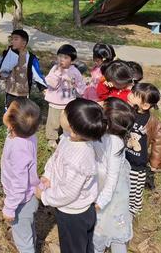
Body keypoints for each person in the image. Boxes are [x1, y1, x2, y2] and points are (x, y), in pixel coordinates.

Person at [36, 99, 106, 253]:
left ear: (73, 129)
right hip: (78, 207)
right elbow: (56, 159)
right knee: (83, 245)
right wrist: (48, 175)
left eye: (65, 112)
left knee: (73, 248)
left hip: (74, 213)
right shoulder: (69, 138)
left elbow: (68, 192)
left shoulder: (79, 159)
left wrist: (45, 196)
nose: (61, 112)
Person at [93, 98, 135, 253]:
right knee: (102, 227)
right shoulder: (104, 134)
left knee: (112, 229)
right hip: (102, 186)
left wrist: (101, 201)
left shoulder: (115, 142)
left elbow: (112, 178)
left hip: (111, 194)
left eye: (102, 106)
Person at [1, 98, 41, 253]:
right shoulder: (28, 135)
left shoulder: (19, 148)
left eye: (8, 109)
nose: (6, 109)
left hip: (21, 202)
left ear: (11, 124)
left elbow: (20, 184)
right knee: (28, 231)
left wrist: (10, 208)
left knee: (23, 239)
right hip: (28, 197)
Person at [126, 83, 161, 215]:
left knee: (134, 188)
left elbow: (159, 143)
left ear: (145, 105)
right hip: (124, 157)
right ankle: (122, 206)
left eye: (134, 95)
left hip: (138, 162)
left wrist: (154, 163)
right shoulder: (127, 112)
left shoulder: (153, 122)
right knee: (122, 184)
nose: (130, 95)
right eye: (132, 92)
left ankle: (134, 211)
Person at [44, 44, 86, 148]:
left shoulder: (75, 71)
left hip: (68, 102)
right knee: (53, 121)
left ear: (72, 61)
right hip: (55, 102)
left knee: (67, 120)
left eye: (65, 57)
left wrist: (75, 84)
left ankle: (65, 136)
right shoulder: (55, 69)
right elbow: (51, 83)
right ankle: (52, 138)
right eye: (60, 56)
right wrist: (58, 73)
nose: (61, 59)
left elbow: (81, 86)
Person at [0, 29, 46, 109]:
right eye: (12, 39)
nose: (12, 41)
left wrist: (44, 89)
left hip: (24, 92)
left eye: (16, 39)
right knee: (10, 111)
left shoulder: (30, 57)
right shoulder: (9, 54)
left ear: (24, 42)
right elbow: (3, 72)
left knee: (22, 112)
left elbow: (37, 75)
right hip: (10, 91)